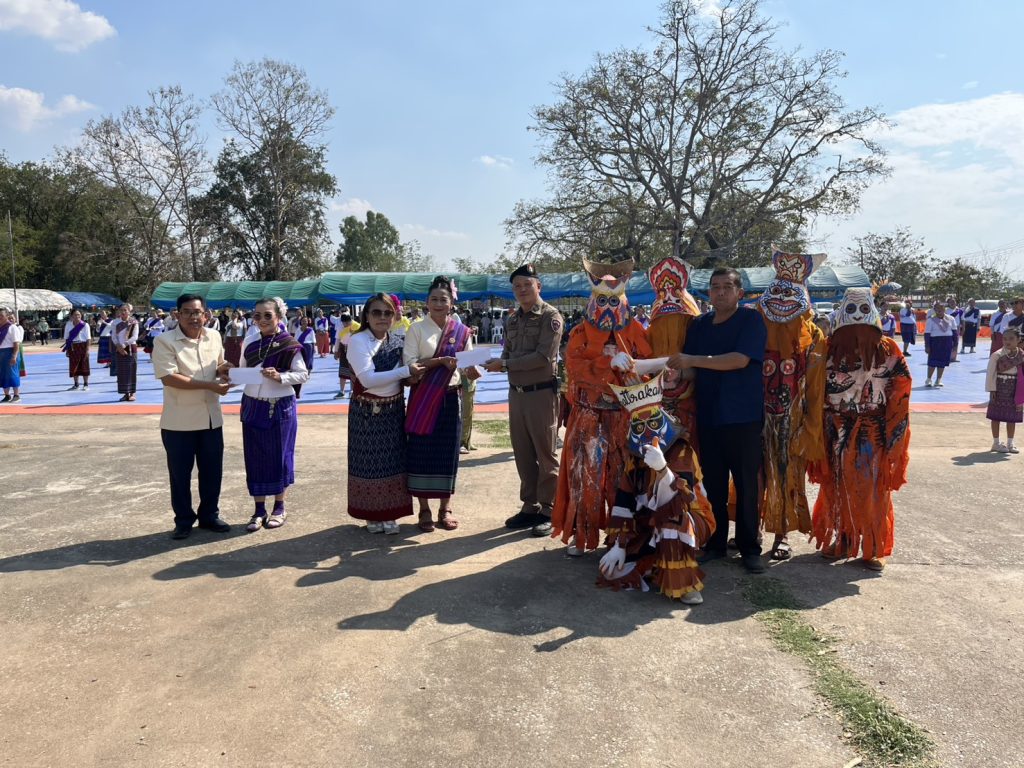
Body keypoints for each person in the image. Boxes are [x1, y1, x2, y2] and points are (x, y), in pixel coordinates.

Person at [669, 267, 767, 574]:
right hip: (709, 415)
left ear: (740, 293)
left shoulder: (750, 320)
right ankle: (715, 542)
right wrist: (667, 374)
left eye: (727, 287)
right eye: (715, 287)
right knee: (712, 483)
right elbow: (690, 370)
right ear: (708, 292)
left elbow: (739, 360)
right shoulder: (699, 325)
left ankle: (749, 547)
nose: (720, 292)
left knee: (746, 484)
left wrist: (692, 361)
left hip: (743, 416)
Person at [552, 257, 652, 555]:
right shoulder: (580, 333)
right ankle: (582, 534)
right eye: (602, 300)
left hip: (623, 416)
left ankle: (621, 536)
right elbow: (575, 368)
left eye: (614, 301)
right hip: (589, 414)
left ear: (624, 301)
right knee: (585, 474)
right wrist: (606, 362)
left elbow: (647, 370)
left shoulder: (636, 332)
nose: (608, 307)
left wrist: (631, 368)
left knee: (623, 476)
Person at [810, 287, 911, 572]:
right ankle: (843, 539)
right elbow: (814, 389)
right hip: (835, 428)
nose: (857, 320)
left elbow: (901, 391)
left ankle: (874, 546)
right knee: (836, 486)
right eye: (851, 312)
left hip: (872, 429)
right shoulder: (827, 348)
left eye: (863, 312)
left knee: (873, 489)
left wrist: (894, 433)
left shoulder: (888, 349)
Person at [597, 373, 715, 603]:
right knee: (612, 571)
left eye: (652, 423)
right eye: (639, 426)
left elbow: (680, 501)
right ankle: (655, 563)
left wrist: (662, 468)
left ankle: (685, 583)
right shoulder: (635, 459)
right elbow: (624, 502)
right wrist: (620, 545)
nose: (646, 432)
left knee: (674, 524)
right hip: (650, 520)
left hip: (689, 516)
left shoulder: (681, 450)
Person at [756, 249, 827, 562]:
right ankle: (752, 529)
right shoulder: (757, 327)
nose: (782, 299)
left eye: (790, 292)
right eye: (778, 290)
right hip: (755, 413)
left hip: (791, 417)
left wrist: (810, 426)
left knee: (787, 474)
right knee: (754, 474)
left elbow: (816, 388)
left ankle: (782, 533)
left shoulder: (814, 336)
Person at [484, 264, 563, 536]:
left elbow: (543, 357)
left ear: (538, 286)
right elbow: (506, 353)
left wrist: (505, 364)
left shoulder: (550, 317)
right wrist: (490, 364)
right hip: (516, 394)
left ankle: (550, 510)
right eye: (517, 286)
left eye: (527, 284)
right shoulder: (513, 320)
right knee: (523, 453)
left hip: (541, 394)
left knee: (546, 454)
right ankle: (530, 506)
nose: (522, 290)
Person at [152, 294, 235, 540]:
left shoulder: (214, 336)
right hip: (179, 422)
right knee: (180, 476)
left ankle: (209, 515)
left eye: (197, 312)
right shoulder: (165, 341)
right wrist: (209, 385)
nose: (193, 317)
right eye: (187, 312)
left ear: (205, 315)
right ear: (177, 315)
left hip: (211, 419)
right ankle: (183, 520)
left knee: (212, 472)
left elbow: (218, 365)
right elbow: (169, 378)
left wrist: (225, 370)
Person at [347, 293, 425, 533]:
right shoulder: (358, 340)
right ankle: (371, 515)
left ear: (395, 315)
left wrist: (413, 375)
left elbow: (405, 378)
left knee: (393, 462)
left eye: (388, 313)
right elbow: (368, 379)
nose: (382, 317)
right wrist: (406, 371)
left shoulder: (399, 342)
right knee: (367, 463)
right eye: (376, 312)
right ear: (367, 315)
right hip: (366, 412)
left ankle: (390, 513)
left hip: (393, 410)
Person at [403, 275, 474, 532]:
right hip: (423, 397)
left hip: (450, 397)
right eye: (433, 299)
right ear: (426, 302)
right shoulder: (416, 329)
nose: (438, 304)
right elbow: (410, 364)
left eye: (443, 299)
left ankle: (445, 508)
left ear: (451, 302)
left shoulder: (462, 331)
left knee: (448, 453)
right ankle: (424, 509)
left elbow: (467, 363)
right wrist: (439, 361)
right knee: (420, 452)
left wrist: (472, 370)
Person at [238, 298, 309, 532]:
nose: (262, 320)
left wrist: (281, 376)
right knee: (254, 457)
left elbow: (302, 374)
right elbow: (243, 371)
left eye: (267, 315)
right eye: (257, 315)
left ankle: (279, 507)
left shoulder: (288, 343)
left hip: (280, 405)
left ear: (278, 316)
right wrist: (230, 376)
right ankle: (259, 510)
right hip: (252, 403)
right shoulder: (249, 341)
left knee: (281, 456)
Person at [645, 256, 702, 448]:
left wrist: (681, 373)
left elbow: (706, 366)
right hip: (656, 407)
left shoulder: (698, 328)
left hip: (691, 406)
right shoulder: (648, 334)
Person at [985, 327, 1023, 454]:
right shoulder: (997, 355)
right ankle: (996, 443)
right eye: (1005, 339)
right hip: (999, 388)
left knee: (1012, 417)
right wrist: (992, 390)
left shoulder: (1021, 355)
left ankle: (1010, 443)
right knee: (996, 416)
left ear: (1018, 339)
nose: (1007, 341)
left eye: (1011, 338)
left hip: (1015, 389)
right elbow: (990, 374)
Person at [111, 304, 139, 401]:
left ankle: (132, 393)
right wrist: (118, 346)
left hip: (130, 348)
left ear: (129, 312)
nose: (123, 312)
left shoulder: (134, 322)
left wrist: (124, 345)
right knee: (122, 372)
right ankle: (125, 393)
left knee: (131, 371)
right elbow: (113, 336)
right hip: (119, 349)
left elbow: (135, 337)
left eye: (125, 310)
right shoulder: (115, 322)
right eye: (121, 310)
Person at [924, 301, 955, 387]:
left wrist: (955, 344)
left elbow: (954, 331)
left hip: (947, 342)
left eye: (941, 308)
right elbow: (927, 333)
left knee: (942, 362)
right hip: (935, 342)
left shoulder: (950, 319)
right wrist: (927, 346)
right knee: (933, 361)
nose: (939, 310)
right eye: (937, 308)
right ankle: (929, 379)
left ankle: (938, 380)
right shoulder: (931, 319)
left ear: (944, 309)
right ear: (934, 310)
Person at [62, 309, 92, 391]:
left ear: (81, 315)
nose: (77, 316)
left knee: (84, 365)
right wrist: (67, 349)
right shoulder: (68, 325)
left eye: (78, 314)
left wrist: (87, 350)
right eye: (75, 314)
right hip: (73, 346)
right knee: (74, 366)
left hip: (83, 346)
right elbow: (67, 338)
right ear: (72, 316)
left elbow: (88, 338)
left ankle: (86, 384)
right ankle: (76, 384)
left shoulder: (85, 325)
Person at [333, 313, 360, 398]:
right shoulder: (340, 327)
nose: (346, 325)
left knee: (353, 371)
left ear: (350, 320)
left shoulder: (357, 326)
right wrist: (336, 351)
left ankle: (352, 391)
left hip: (354, 350)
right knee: (343, 370)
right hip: (343, 350)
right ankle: (341, 391)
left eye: (347, 323)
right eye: (344, 323)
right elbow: (337, 339)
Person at [0, 307, 23, 403]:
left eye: (1, 315)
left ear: (7, 316)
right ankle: (7, 395)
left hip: (10, 352)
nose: (0, 317)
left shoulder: (12, 327)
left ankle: (16, 395)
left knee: (12, 374)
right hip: (1, 353)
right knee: (2, 374)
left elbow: (16, 343)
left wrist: (14, 356)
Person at [295, 315, 316, 398]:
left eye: (306, 321)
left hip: (308, 346)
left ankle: (307, 374)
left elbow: (313, 340)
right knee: (301, 361)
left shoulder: (310, 330)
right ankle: (302, 373)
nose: (304, 322)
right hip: (300, 346)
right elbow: (295, 339)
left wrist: (314, 348)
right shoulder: (298, 330)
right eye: (303, 321)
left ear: (308, 322)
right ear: (301, 322)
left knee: (308, 360)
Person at [946, 296, 963, 362]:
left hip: (956, 328)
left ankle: (954, 358)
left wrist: (963, 328)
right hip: (948, 328)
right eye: (951, 302)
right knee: (949, 342)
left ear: (956, 302)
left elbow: (963, 320)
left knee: (956, 343)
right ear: (948, 303)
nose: (952, 303)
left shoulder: (959, 311)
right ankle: (948, 357)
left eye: (953, 302)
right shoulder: (946, 311)